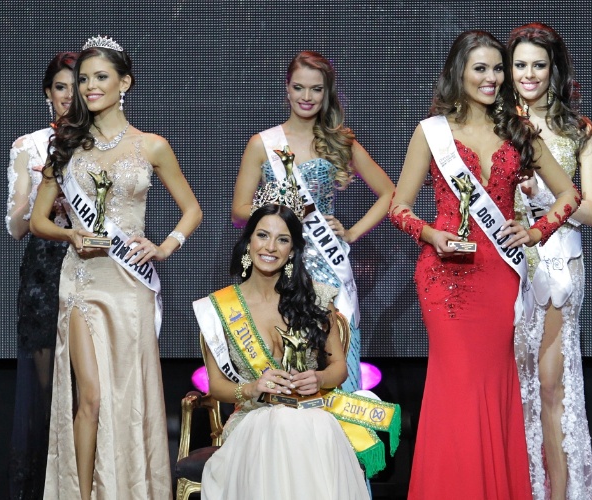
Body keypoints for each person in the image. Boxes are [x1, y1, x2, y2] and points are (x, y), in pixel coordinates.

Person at [388, 30, 580, 499]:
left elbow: (569, 195)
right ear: (459, 73)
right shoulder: (432, 132)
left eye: (498, 68)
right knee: (457, 387)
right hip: (444, 279)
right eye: (481, 68)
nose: (492, 77)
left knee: (493, 385)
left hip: (498, 274)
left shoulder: (518, 130)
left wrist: (535, 231)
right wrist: (431, 235)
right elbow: (399, 208)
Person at [30, 35, 202, 500]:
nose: (90, 87)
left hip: (130, 285)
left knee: (128, 396)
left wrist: (165, 246)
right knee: (90, 395)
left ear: (124, 82)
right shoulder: (66, 147)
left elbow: (192, 209)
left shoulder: (152, 146)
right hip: (82, 282)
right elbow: (38, 220)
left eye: (101, 77)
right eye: (84, 79)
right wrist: (70, 234)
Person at [193, 202, 399, 499]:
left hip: (313, 415)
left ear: (292, 250)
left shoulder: (316, 298)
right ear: (248, 241)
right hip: (253, 420)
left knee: (309, 426)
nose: (270, 247)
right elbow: (217, 386)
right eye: (262, 235)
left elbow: (339, 369)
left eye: (283, 239)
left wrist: (319, 379)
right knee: (282, 424)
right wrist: (252, 388)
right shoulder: (218, 309)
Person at [231, 51, 395, 393]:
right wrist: (280, 211)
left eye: (316, 89)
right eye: (299, 87)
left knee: (333, 361)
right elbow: (239, 211)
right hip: (278, 263)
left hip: (326, 266)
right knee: (284, 361)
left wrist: (351, 233)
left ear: (326, 92)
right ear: (287, 89)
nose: (306, 97)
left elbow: (389, 193)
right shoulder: (262, 144)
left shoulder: (339, 141)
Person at [509, 23, 592, 500]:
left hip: (559, 262)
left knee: (549, 385)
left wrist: (547, 196)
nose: (528, 74)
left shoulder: (578, 130)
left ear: (554, 70)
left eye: (538, 65)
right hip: (505, 260)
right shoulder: (497, 123)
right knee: (509, 383)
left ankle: (557, 493)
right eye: (519, 64)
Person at [5, 51, 77, 500]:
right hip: (44, 272)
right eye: (60, 87)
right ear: (47, 94)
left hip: (92, 266)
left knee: (89, 388)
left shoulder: (105, 143)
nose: (68, 96)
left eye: (76, 86)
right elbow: (15, 227)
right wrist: (39, 203)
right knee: (49, 393)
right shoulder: (29, 146)